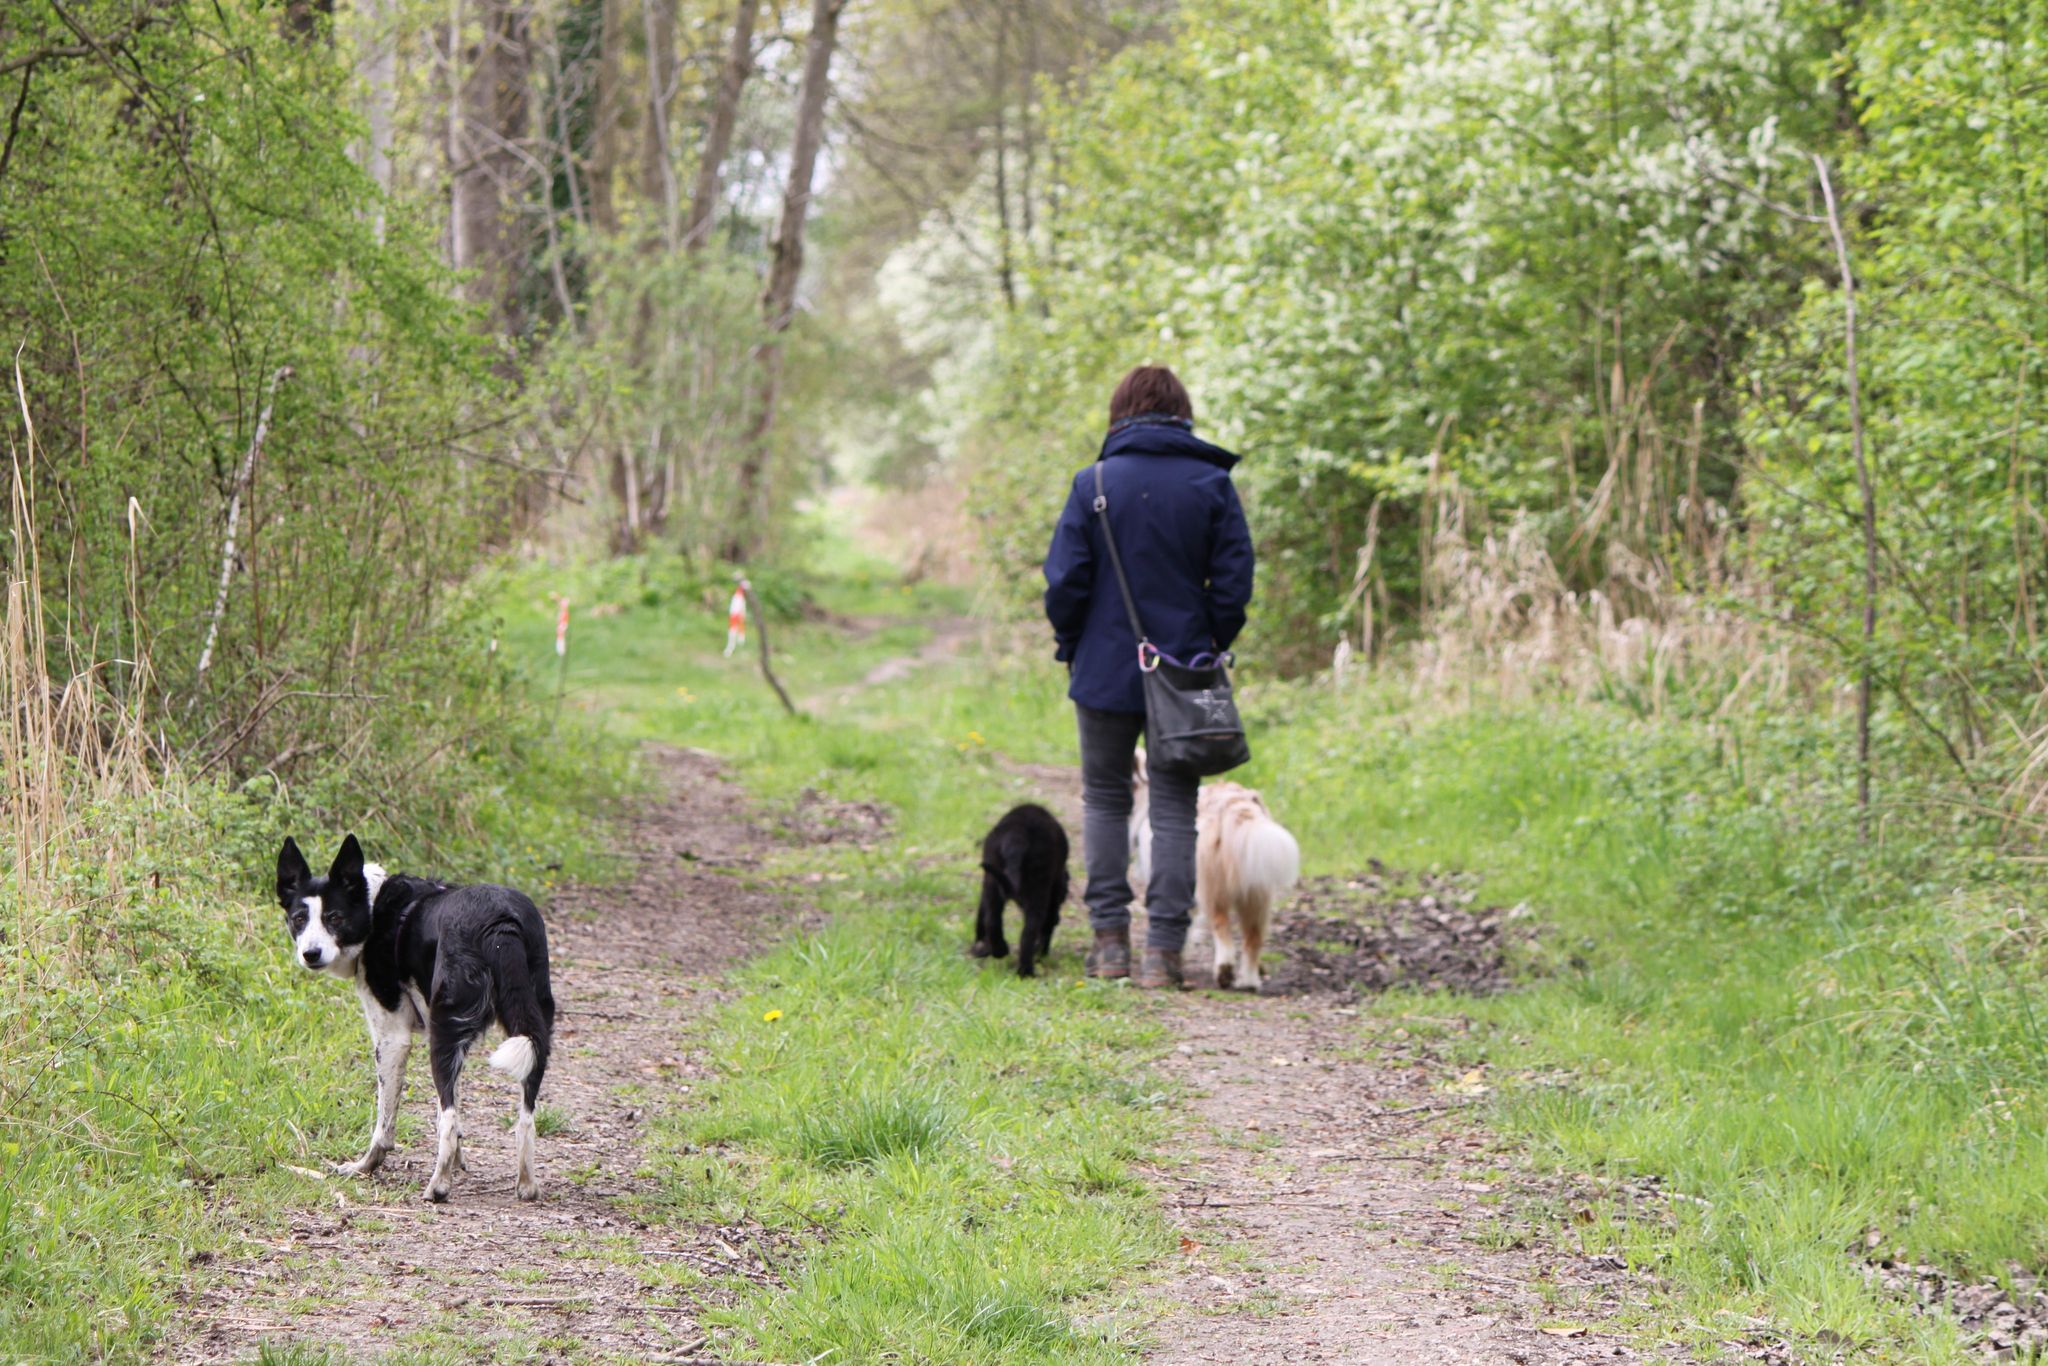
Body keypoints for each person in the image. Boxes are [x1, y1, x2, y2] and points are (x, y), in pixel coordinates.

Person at [1042, 365, 1255, 988]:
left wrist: (1072, 644)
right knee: (1175, 808)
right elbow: (1234, 581)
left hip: (1103, 668)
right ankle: (1163, 953)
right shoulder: (1211, 483)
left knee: (1106, 799)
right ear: (1182, 413)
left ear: (1120, 414)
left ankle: (1110, 945)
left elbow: (1065, 582)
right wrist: (1211, 642)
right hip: (1185, 669)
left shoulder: (1094, 483)